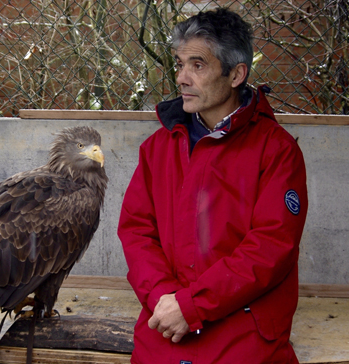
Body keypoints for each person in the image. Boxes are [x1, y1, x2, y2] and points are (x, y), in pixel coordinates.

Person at [117, 7, 308, 364]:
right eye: (179, 64)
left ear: (236, 74)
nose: (182, 78)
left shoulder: (277, 151)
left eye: (197, 65)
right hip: (165, 326)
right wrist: (164, 299)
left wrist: (191, 306)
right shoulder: (158, 148)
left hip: (244, 334)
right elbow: (137, 230)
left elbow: (270, 249)